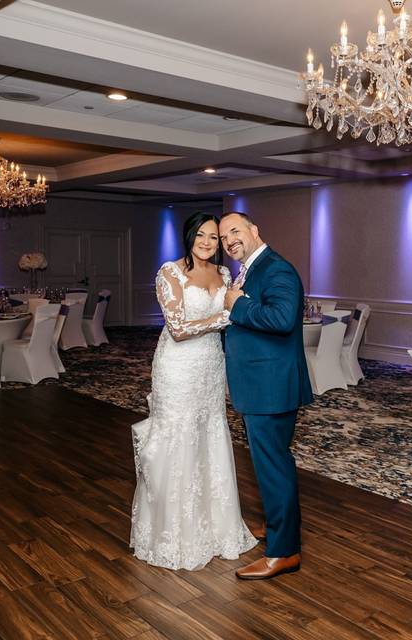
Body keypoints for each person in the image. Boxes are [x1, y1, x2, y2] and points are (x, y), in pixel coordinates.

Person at [130, 212, 257, 570]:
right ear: (189, 237)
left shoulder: (225, 274)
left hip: (211, 367)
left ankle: (216, 530)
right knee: (178, 439)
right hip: (178, 367)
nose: (207, 242)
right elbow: (178, 329)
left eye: (214, 238)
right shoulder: (170, 273)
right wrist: (229, 314)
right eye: (200, 235)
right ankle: (172, 535)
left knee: (210, 436)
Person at [220, 211, 313, 580]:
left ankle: (284, 552)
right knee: (269, 465)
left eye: (235, 231)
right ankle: (279, 530)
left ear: (255, 230)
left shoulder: (276, 268)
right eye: (224, 237)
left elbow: (282, 319)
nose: (229, 241)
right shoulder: (253, 269)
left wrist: (236, 304)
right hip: (261, 385)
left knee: (273, 466)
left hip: (270, 388)